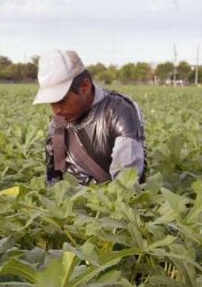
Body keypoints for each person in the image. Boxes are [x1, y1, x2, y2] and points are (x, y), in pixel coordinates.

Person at [33, 49, 146, 185]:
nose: (56, 110)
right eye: (52, 103)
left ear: (85, 86)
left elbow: (125, 183)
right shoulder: (59, 122)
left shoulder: (120, 111)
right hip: (71, 202)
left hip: (108, 203)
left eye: (62, 101)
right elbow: (54, 177)